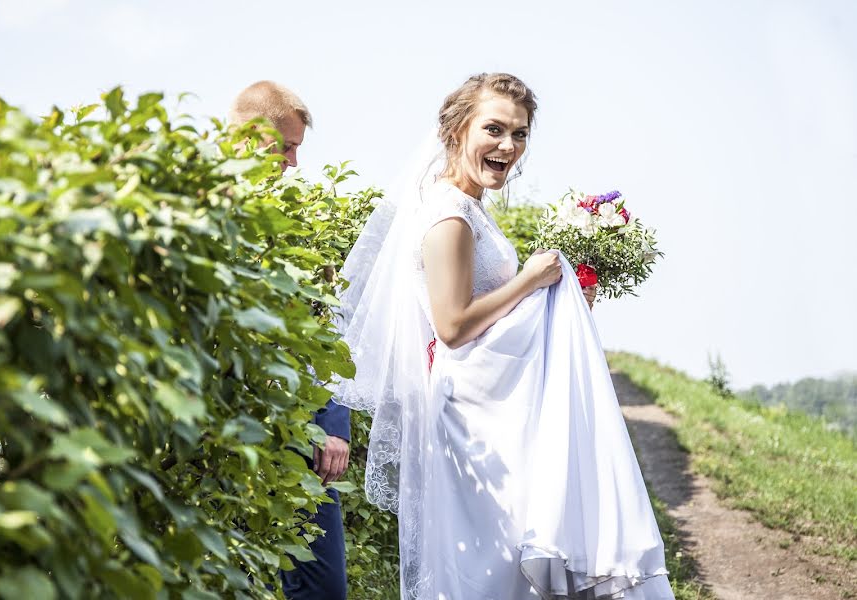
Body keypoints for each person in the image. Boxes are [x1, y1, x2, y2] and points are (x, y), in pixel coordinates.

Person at [332, 73, 674, 599]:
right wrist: (530, 282)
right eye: (494, 129)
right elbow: (453, 326)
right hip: (471, 424)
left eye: (520, 134)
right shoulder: (449, 216)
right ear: (455, 130)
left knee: (509, 561)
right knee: (490, 568)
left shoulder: (469, 207)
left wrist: (553, 305)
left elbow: (488, 317)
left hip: (493, 413)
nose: (508, 146)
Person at [229, 80, 349, 600]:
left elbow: (333, 334)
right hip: (228, 449)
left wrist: (335, 424)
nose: (294, 163)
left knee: (325, 590)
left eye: (298, 147)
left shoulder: (304, 222)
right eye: (287, 146)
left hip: (308, 448)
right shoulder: (196, 217)